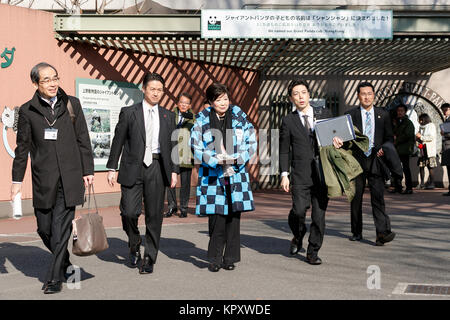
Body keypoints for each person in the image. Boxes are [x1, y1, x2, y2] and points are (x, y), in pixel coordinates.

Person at [11, 62, 94, 294]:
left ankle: (54, 278)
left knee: (60, 230)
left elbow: (83, 141)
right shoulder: (27, 111)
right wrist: (16, 182)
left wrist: (88, 171)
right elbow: (22, 149)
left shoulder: (71, 104)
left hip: (70, 178)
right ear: (35, 83)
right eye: (46, 80)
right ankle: (65, 262)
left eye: (55, 78)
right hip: (43, 181)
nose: (53, 83)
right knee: (45, 229)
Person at [106, 72, 178, 274]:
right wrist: (112, 167)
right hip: (133, 167)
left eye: (160, 90)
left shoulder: (168, 116)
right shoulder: (129, 112)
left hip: (157, 167)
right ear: (143, 88)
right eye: (153, 89)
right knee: (129, 212)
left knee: (154, 216)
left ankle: (150, 257)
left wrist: (174, 171)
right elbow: (118, 141)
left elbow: (173, 145)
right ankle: (134, 241)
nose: (156, 93)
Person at [190, 83, 257, 272]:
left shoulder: (239, 115)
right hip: (213, 175)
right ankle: (214, 258)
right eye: (218, 100)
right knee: (218, 217)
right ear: (211, 102)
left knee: (234, 218)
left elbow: (250, 140)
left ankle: (230, 258)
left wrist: (238, 159)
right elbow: (195, 145)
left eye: (225, 98)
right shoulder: (202, 120)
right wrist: (213, 160)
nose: (223, 103)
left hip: (235, 174)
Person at [279, 79, 342, 265]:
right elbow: (284, 149)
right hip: (300, 174)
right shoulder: (288, 120)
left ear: (309, 94)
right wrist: (284, 174)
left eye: (303, 92)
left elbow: (335, 139)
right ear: (291, 98)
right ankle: (298, 236)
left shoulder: (324, 113)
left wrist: (338, 141)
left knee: (318, 216)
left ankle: (312, 251)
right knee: (298, 211)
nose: (300, 96)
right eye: (296, 94)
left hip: (323, 173)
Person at [345, 82, 396, 246]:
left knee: (378, 197)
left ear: (374, 95)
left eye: (369, 93)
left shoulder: (384, 114)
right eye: (363, 94)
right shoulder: (350, 115)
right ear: (358, 96)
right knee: (356, 198)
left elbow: (389, 138)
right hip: (357, 162)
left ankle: (381, 233)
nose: (366, 97)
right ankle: (356, 231)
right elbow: (345, 139)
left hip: (376, 160)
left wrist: (384, 150)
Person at [164, 92, 195, 218]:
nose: (183, 105)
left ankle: (183, 208)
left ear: (189, 105)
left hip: (187, 154)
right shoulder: (170, 115)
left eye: (186, 103)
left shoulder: (193, 118)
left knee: (185, 184)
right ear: (177, 103)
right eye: (181, 102)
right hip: (172, 153)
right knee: (171, 182)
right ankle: (172, 206)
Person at [390, 104, 415, 194]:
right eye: (398, 111)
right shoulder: (396, 122)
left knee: (406, 168)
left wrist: (396, 140)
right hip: (396, 149)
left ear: (405, 112)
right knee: (396, 168)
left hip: (404, 149)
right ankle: (397, 187)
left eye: (401, 111)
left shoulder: (408, 122)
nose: (399, 112)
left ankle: (409, 188)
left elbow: (408, 135)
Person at [416, 113, 437, 190]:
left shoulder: (431, 125)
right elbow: (420, 138)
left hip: (429, 150)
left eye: (421, 120)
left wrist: (420, 137)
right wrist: (417, 139)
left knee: (430, 167)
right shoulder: (421, 127)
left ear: (425, 119)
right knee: (421, 166)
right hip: (422, 149)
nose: (420, 121)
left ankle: (432, 183)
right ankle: (421, 183)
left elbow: (430, 137)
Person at [441, 103, 450, 196]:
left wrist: (444, 133)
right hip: (446, 146)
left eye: (446, 110)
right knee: (449, 168)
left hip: (449, 147)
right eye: (443, 110)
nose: (444, 112)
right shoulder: (446, 119)